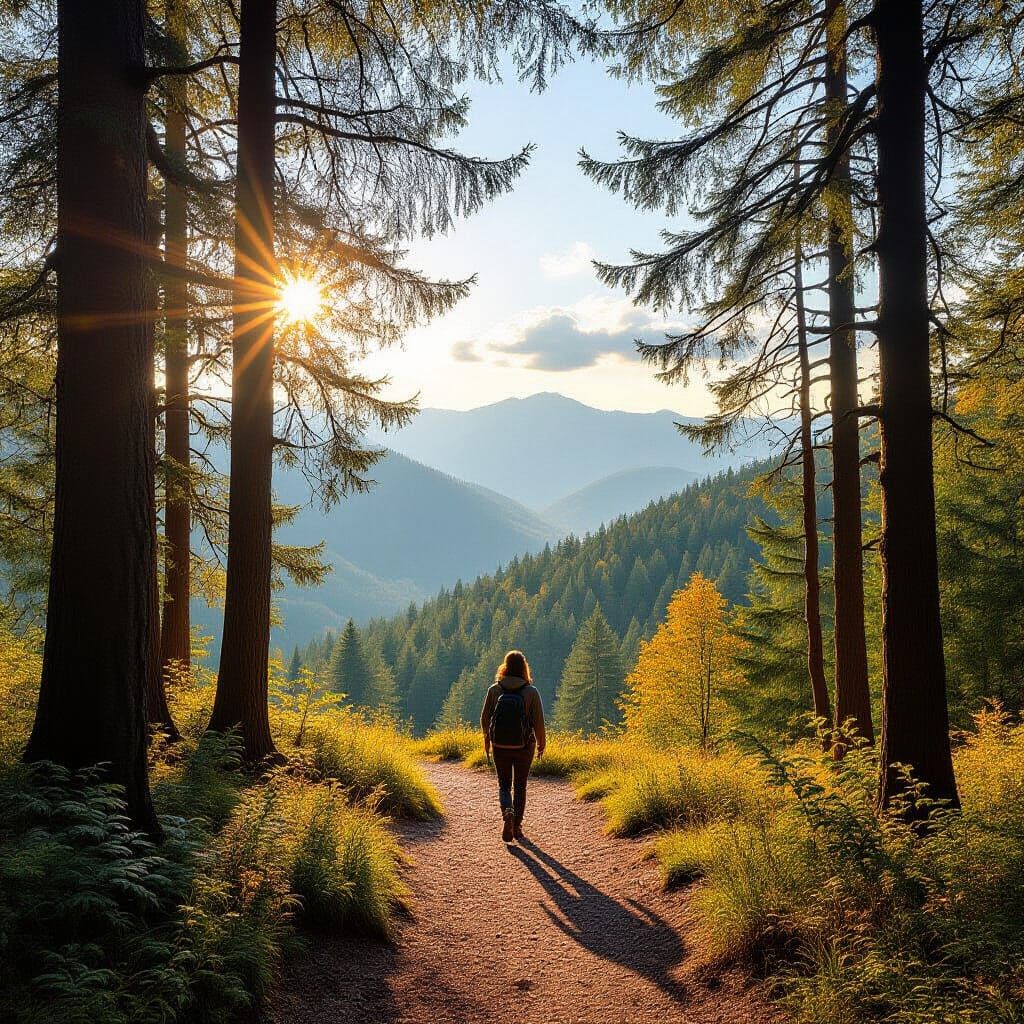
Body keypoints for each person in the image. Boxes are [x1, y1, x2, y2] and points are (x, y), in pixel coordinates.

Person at [481, 649, 546, 843]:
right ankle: (516, 826)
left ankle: (507, 812)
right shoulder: (531, 692)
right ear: (524, 668)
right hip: (524, 746)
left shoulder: (494, 689)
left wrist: (488, 739)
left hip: (500, 745)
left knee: (503, 784)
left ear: (505, 667)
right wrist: (541, 743)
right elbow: (538, 722)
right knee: (520, 785)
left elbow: (485, 718)